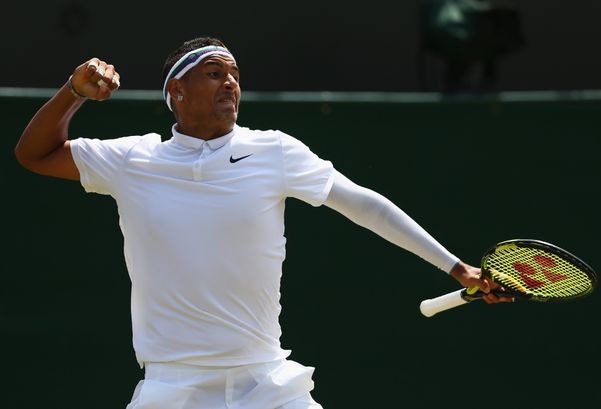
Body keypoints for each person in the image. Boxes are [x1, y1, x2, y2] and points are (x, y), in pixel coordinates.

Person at [14, 36, 512, 409]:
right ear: (177, 91)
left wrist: (456, 267)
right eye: (212, 72)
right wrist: (73, 92)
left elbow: (364, 204)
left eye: (233, 73)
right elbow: (34, 155)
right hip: (172, 388)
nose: (229, 81)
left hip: (267, 385)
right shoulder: (130, 159)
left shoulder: (274, 149)